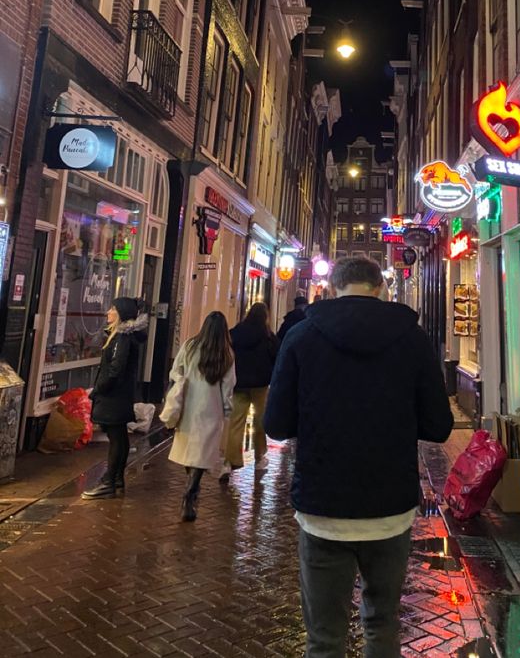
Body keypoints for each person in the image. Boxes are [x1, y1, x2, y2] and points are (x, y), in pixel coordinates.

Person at [264, 256, 453, 658]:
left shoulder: (301, 337)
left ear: (332, 287)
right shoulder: (413, 338)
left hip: (322, 508)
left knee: (324, 639)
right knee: (383, 626)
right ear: (380, 288)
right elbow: (438, 426)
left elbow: (276, 424)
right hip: (390, 509)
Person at [161, 311, 236, 522]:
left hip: (189, 407)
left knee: (191, 451)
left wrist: (183, 381)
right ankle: (191, 492)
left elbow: (175, 371)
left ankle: (191, 489)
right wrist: (227, 410)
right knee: (201, 454)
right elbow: (227, 387)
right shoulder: (226, 354)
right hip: (211, 410)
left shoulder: (190, 346)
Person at [82, 297, 148, 500]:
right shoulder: (122, 336)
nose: (107, 313)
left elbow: (115, 369)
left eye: (112, 309)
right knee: (119, 437)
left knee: (116, 438)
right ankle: (117, 479)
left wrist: (98, 390)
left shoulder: (121, 338)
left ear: (120, 313)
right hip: (119, 395)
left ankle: (108, 482)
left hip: (114, 397)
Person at [223, 302, 280, 478]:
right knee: (261, 420)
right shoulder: (269, 337)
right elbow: (276, 358)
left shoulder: (235, 333)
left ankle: (230, 461)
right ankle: (259, 458)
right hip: (261, 384)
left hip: (239, 383)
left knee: (236, 422)